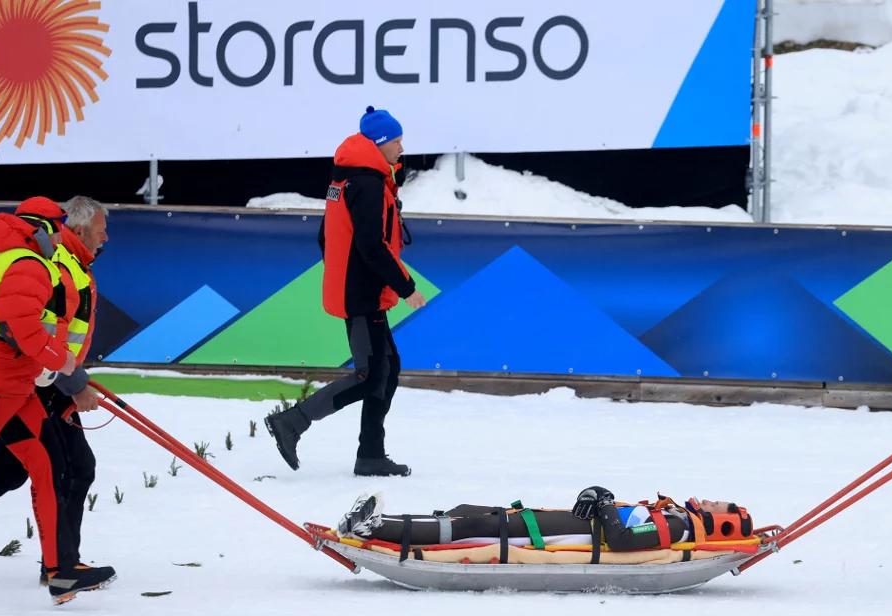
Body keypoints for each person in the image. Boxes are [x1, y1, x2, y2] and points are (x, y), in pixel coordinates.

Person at [265, 106, 425, 477]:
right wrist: (406, 288)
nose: (402, 148)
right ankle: (294, 421)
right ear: (379, 143)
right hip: (362, 294)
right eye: (396, 141)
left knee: (388, 368)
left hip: (359, 288)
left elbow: (326, 235)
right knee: (371, 374)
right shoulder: (367, 184)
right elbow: (372, 246)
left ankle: (370, 453)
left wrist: (345, 272)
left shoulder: (352, 178)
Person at [0, 197, 114, 604]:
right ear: (44, 227)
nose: (59, 233)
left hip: (16, 384)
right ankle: (61, 568)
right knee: (36, 468)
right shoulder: (28, 264)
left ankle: (61, 572)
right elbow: (23, 327)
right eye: (57, 226)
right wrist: (59, 364)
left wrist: (56, 367)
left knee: (45, 466)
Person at [335, 486, 753, 552]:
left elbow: (624, 540)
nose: (714, 500)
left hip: (559, 536)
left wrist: (603, 500)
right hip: (558, 521)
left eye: (723, 506)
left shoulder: (679, 527)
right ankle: (382, 519)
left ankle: (373, 529)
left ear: (725, 523)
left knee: (472, 527)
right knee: (466, 513)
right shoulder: (676, 515)